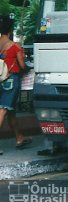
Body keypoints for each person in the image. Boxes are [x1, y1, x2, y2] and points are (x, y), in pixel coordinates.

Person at [0, 15, 31, 155]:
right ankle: (19, 137)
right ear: (10, 31)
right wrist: (28, 68)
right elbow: (22, 65)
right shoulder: (15, 46)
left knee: (11, 111)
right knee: (3, 110)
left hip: (0, 80)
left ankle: (19, 138)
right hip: (11, 80)